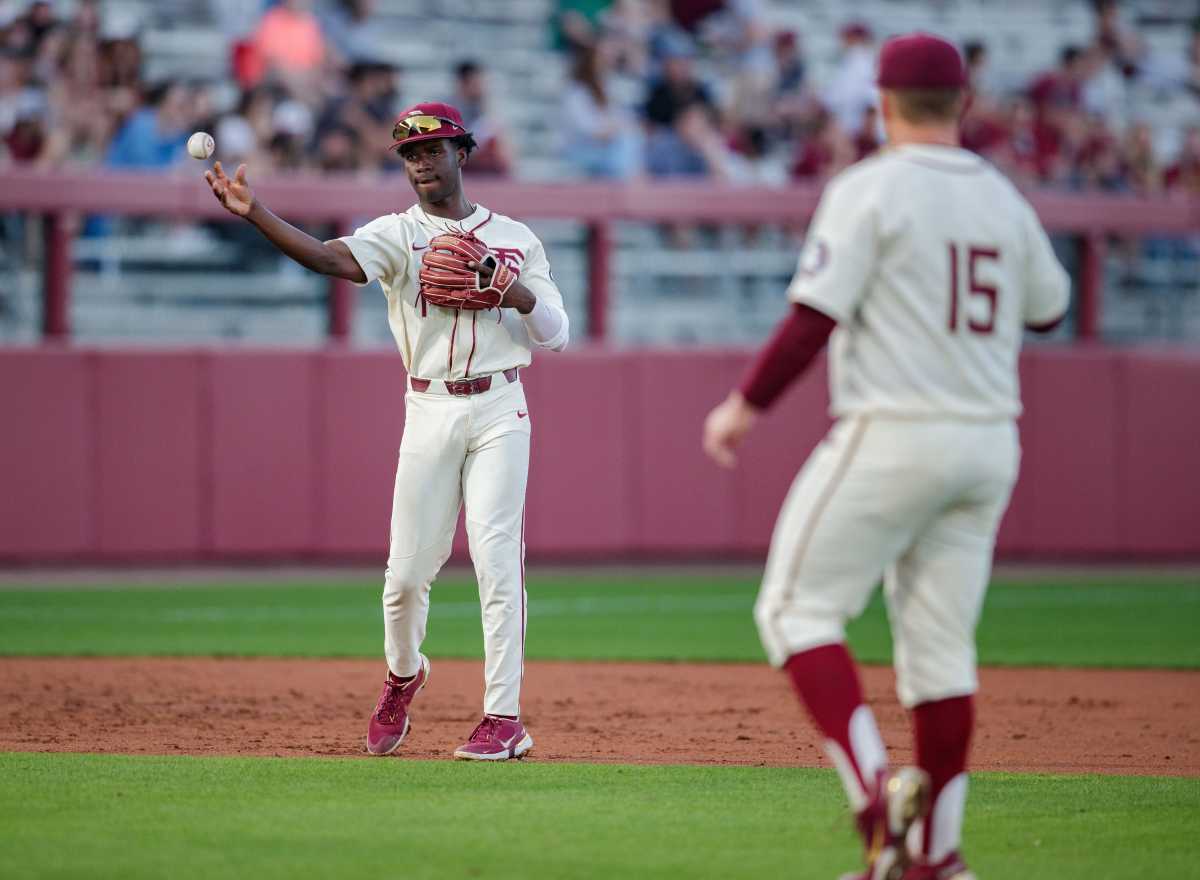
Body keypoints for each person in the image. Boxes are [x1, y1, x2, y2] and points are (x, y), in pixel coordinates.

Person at [702, 34, 1069, 880]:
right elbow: (1050, 309)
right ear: (964, 104)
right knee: (941, 657)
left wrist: (741, 407)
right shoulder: (1004, 198)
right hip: (988, 443)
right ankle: (935, 859)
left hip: (896, 426)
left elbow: (813, 317)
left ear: (881, 103)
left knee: (794, 613)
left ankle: (877, 808)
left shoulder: (869, 187)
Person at [203, 102, 570, 760]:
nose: (421, 161)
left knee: (496, 560)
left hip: (499, 406)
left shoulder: (515, 237)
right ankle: (404, 675)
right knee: (404, 577)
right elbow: (324, 257)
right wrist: (254, 212)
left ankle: (503, 717)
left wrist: (515, 291)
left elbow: (557, 334)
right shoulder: (397, 234)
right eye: (409, 153)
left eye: (434, 148)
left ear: (463, 153)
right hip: (428, 407)